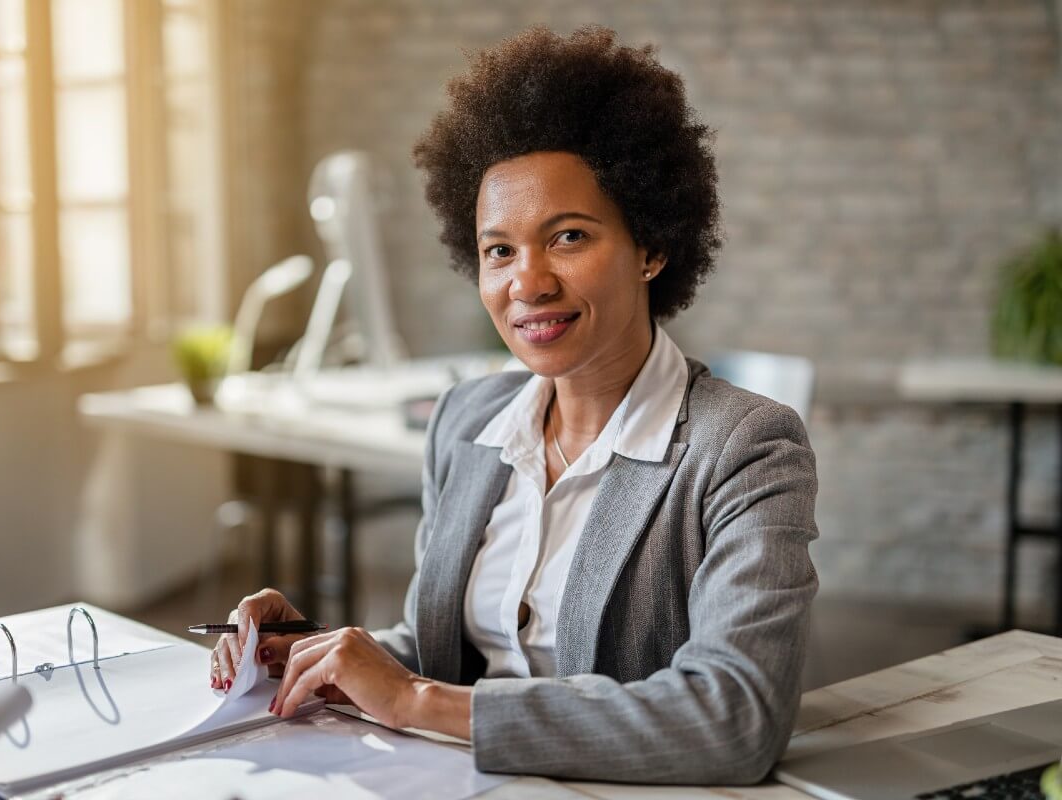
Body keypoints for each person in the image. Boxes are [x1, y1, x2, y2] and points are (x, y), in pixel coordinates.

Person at [208, 25, 818, 785]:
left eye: (567, 237)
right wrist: (313, 652)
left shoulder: (745, 447)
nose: (527, 283)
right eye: (499, 250)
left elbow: (735, 717)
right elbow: (445, 651)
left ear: (652, 247)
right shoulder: (467, 423)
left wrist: (417, 700)